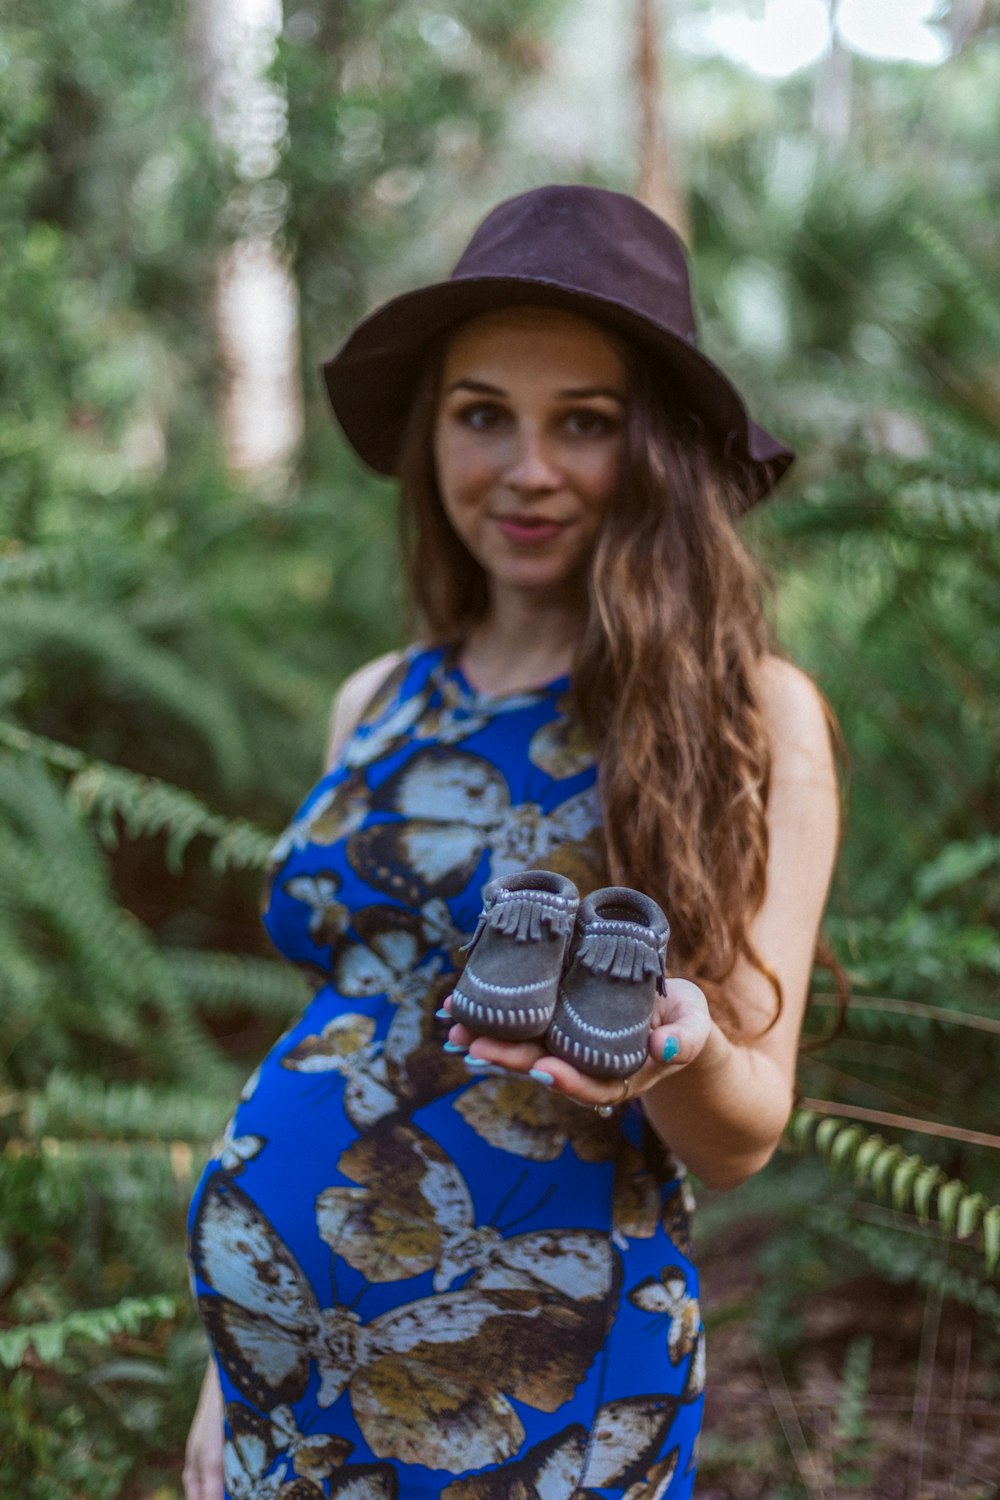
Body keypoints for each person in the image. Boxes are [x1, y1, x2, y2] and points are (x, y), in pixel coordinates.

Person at [183, 184, 840, 1500]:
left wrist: (682, 1045)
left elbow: (743, 1131)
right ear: (434, 433)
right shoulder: (377, 700)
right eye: (484, 414)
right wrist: (226, 1373)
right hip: (283, 1378)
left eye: (582, 425)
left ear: (654, 451)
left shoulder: (746, 712)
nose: (525, 469)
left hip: (530, 1383)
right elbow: (340, 1025)